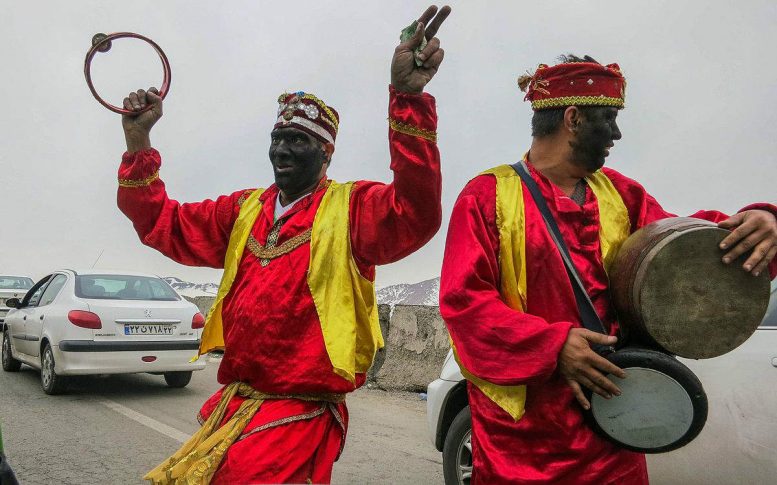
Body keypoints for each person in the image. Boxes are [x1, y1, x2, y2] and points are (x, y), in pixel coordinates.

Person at [115, 6, 450, 484]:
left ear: (327, 151)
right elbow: (162, 223)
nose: (282, 150)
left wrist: (408, 97)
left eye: (297, 139)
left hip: (299, 413)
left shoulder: (353, 209)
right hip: (239, 406)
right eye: (277, 138)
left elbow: (416, 214)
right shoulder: (242, 210)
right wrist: (137, 140)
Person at [439, 55, 777, 484]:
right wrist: (553, 345)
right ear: (573, 117)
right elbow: (463, 303)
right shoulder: (487, 196)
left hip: (613, 426)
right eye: (609, 118)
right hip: (524, 442)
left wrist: (761, 221)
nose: (616, 134)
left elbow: (679, 246)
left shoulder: (620, 193)